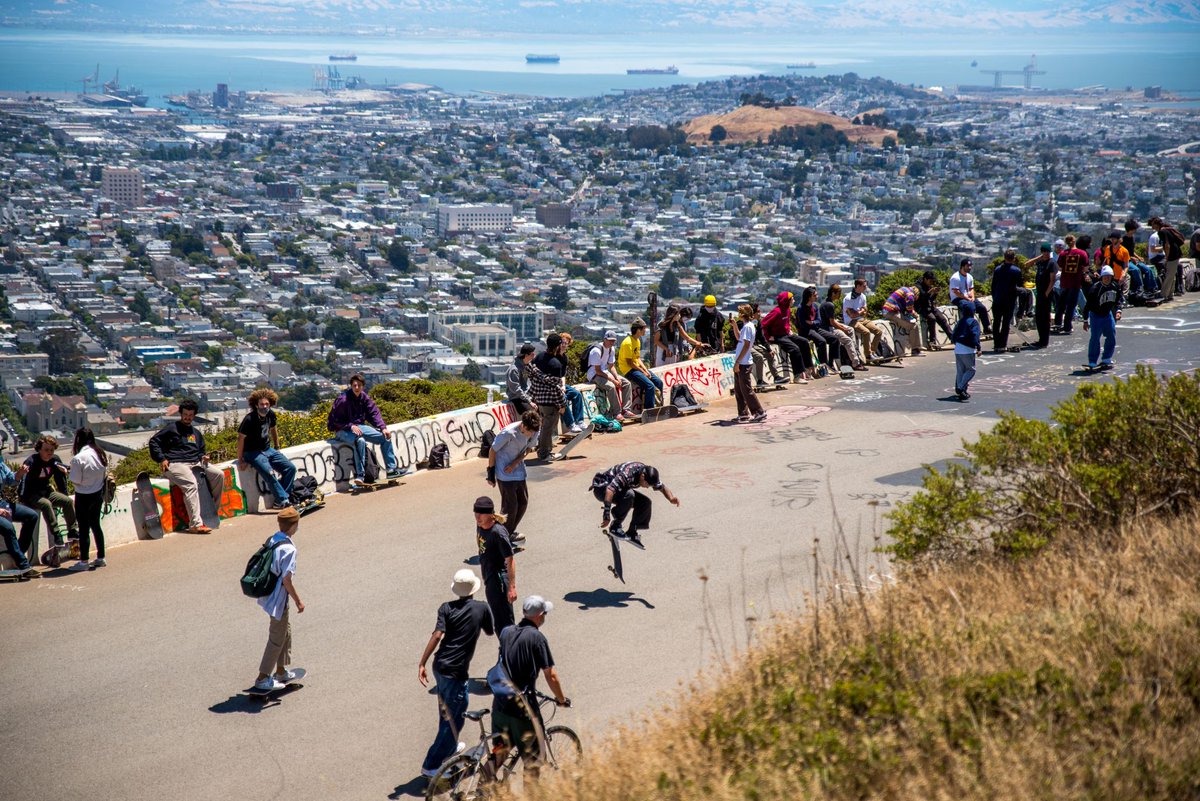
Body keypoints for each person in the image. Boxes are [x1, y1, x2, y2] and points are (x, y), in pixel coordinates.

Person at [417, 569, 494, 779]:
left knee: (446, 711)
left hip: (439, 666)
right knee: (455, 718)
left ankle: (449, 748)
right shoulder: (482, 608)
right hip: (456, 672)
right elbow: (489, 630)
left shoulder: (445, 608)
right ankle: (432, 766)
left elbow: (437, 635)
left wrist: (422, 663)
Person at [490, 596, 568, 776]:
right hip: (523, 711)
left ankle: (481, 789)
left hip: (500, 705)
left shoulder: (506, 632)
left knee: (500, 753)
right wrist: (561, 700)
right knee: (533, 762)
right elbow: (551, 675)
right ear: (539, 616)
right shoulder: (537, 638)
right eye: (545, 613)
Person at [148, 400, 225, 534]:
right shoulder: (172, 428)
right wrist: (162, 458)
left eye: (190, 415)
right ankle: (195, 524)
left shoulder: (196, 433)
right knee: (191, 484)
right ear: (181, 414)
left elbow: (201, 450)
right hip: (176, 463)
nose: (187, 417)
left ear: (194, 415)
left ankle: (211, 511)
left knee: (219, 475)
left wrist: (204, 457)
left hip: (195, 462)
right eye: (185, 414)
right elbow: (154, 442)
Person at [254, 505, 304, 693]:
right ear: (294, 525)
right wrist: (299, 600)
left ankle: (281, 670)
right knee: (276, 638)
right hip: (277, 599)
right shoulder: (289, 549)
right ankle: (263, 677)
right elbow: (286, 580)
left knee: (285, 631)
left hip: (268, 596)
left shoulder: (274, 538)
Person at [327, 374, 404, 488]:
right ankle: (360, 476)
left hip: (358, 427)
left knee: (385, 437)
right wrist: (350, 426)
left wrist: (383, 427)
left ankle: (391, 470)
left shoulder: (364, 398)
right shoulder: (343, 400)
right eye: (354, 385)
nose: (356, 387)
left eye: (359, 385)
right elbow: (334, 420)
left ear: (363, 386)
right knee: (360, 441)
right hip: (342, 430)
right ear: (351, 386)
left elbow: (374, 413)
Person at [592, 461, 680, 550]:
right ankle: (615, 526)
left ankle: (632, 532)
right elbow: (610, 490)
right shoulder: (627, 474)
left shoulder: (648, 474)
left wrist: (671, 498)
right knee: (629, 495)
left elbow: (663, 487)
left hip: (618, 489)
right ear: (642, 476)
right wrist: (606, 515)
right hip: (602, 489)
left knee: (645, 502)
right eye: (647, 484)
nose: (647, 487)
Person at [487, 410, 541, 545]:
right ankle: (499, 536)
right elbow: (492, 450)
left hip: (518, 470)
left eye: (533, 432)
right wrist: (490, 473)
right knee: (510, 507)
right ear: (523, 425)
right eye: (528, 431)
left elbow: (529, 448)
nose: (530, 434)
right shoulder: (508, 433)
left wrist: (515, 462)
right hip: (504, 472)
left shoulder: (535, 430)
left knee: (523, 502)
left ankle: (507, 533)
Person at [236, 388, 296, 510]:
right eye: (262, 404)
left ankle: (282, 499)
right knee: (269, 473)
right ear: (256, 405)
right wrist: (240, 459)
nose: (264, 406)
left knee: (290, 468)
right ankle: (284, 500)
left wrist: (277, 447)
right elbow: (240, 439)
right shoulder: (249, 419)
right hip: (252, 453)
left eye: (267, 404)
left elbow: (274, 430)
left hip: (268, 449)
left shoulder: (271, 415)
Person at [19, 435, 77, 545]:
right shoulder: (31, 461)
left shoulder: (54, 461)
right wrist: (22, 498)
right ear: (39, 449)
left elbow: (60, 479)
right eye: (46, 450)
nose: (49, 453)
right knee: (46, 504)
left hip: (46, 491)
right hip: (31, 494)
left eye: (51, 450)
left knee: (68, 501)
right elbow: (23, 480)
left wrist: (64, 494)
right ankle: (56, 535)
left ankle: (73, 531)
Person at [474, 496, 517, 634]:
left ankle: (510, 650)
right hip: (489, 578)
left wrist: (511, 587)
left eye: (481, 513)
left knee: (504, 622)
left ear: (490, 514)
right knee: (498, 620)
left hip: (499, 581)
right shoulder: (480, 525)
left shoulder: (498, 533)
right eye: (476, 512)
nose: (477, 516)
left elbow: (510, 560)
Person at [67, 428, 108, 571]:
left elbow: (76, 480)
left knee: (84, 528)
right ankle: (101, 557)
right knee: (96, 525)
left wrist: (68, 472)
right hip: (98, 494)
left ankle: (84, 561)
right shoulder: (100, 453)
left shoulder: (78, 458)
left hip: (83, 496)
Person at [529, 333, 568, 461]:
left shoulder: (539, 357)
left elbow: (532, 375)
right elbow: (555, 388)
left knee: (544, 425)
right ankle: (544, 453)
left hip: (539, 398)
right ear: (557, 346)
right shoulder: (556, 364)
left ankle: (543, 449)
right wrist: (562, 404)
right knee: (548, 428)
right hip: (550, 402)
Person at [761, 291, 815, 381]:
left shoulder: (788, 310)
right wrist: (768, 337)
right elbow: (763, 324)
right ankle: (798, 376)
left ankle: (807, 370)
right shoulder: (777, 312)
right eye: (792, 299)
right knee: (795, 349)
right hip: (778, 336)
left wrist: (789, 329)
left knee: (804, 342)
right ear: (787, 301)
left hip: (786, 334)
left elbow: (786, 323)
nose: (794, 300)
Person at [0, 461, 40, 577]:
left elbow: (11, 480)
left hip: (2, 503)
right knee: (8, 528)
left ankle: (18, 554)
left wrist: (20, 473)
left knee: (31, 516)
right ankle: (24, 565)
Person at [732, 304, 767, 423]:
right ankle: (743, 413)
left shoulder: (748, 327)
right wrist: (734, 326)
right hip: (742, 362)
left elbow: (746, 345)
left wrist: (737, 362)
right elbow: (739, 339)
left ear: (742, 315)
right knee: (739, 389)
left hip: (744, 363)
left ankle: (758, 411)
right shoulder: (748, 326)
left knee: (746, 389)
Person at [587, 331, 633, 421]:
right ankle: (617, 413)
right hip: (594, 374)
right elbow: (598, 370)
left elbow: (611, 366)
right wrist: (612, 380)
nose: (612, 343)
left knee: (627, 383)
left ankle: (626, 410)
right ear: (605, 339)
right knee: (611, 387)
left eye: (613, 341)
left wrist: (617, 377)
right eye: (610, 340)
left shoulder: (611, 349)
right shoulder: (596, 350)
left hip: (604, 372)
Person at [1083, 265, 1122, 369]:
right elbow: (1087, 306)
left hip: (1107, 314)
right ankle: (1092, 360)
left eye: (1109, 276)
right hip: (1096, 315)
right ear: (1102, 277)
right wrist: (1085, 321)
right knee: (1095, 338)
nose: (1107, 278)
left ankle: (1106, 358)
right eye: (1105, 277)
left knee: (1111, 335)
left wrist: (1118, 310)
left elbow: (1118, 300)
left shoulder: (1115, 286)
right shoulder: (1095, 289)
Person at [618, 319, 664, 409]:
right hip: (629, 370)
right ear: (638, 330)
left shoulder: (637, 341)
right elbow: (630, 363)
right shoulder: (628, 342)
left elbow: (637, 358)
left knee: (659, 382)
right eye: (644, 329)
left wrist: (646, 370)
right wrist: (643, 371)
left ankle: (659, 405)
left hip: (636, 367)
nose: (645, 331)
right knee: (650, 386)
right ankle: (649, 410)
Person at [818, 285, 866, 369]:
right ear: (833, 293)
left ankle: (855, 354)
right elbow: (832, 323)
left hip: (828, 326)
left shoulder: (826, 302)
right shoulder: (830, 305)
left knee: (850, 329)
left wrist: (844, 327)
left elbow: (832, 320)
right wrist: (843, 329)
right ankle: (855, 363)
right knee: (848, 341)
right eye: (839, 293)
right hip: (828, 330)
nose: (840, 295)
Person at [990, 249, 1024, 352]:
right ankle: (1002, 345)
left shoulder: (997, 269)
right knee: (1005, 323)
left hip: (997, 299)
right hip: (1009, 300)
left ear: (1004, 257)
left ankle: (996, 344)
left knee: (996, 322)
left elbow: (993, 285)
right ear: (1013, 259)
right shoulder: (1016, 270)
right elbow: (1020, 284)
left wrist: (995, 296)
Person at [843, 278, 883, 363]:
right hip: (851, 321)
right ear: (858, 286)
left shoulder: (863, 296)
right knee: (866, 332)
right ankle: (868, 355)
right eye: (864, 286)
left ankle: (872, 352)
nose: (866, 288)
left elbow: (865, 311)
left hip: (861, 319)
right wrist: (861, 311)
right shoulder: (848, 298)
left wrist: (859, 312)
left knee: (878, 331)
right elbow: (852, 315)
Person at [948, 259, 993, 335]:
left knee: (982, 308)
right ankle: (970, 330)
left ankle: (987, 328)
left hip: (968, 297)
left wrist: (972, 297)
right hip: (958, 298)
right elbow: (956, 292)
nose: (969, 268)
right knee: (969, 308)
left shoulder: (969, 277)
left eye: (970, 266)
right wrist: (967, 298)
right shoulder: (955, 277)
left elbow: (971, 288)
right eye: (968, 266)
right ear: (962, 266)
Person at [795, 287, 835, 371]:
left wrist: (812, 323)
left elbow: (819, 321)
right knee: (822, 341)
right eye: (815, 295)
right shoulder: (801, 308)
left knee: (834, 339)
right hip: (806, 331)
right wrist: (813, 324)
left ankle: (832, 364)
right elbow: (803, 325)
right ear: (809, 297)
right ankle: (823, 365)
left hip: (815, 328)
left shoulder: (815, 306)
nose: (817, 296)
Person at [950, 300, 982, 401]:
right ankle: (960, 388)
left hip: (958, 348)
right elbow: (975, 335)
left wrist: (956, 343)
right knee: (971, 370)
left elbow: (954, 333)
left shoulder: (960, 321)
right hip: (968, 349)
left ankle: (961, 390)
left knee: (960, 370)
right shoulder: (973, 322)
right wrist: (978, 347)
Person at [1027, 243, 1057, 348]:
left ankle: (1044, 341)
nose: (1045, 254)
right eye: (1043, 251)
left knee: (1045, 317)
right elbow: (1027, 264)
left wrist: (1046, 293)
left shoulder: (1051, 263)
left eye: (1047, 252)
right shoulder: (1040, 262)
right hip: (1039, 293)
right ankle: (1040, 339)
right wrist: (1039, 257)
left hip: (1046, 294)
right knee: (1039, 317)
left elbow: (1052, 280)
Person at [879, 285, 921, 362]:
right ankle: (915, 349)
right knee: (913, 326)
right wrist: (914, 314)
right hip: (890, 312)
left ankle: (914, 348)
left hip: (888, 311)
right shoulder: (910, 295)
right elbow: (909, 309)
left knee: (909, 322)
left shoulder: (905, 289)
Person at [914, 271, 954, 352]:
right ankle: (932, 341)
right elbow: (921, 300)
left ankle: (953, 338)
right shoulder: (918, 287)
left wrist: (935, 293)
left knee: (942, 319)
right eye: (930, 281)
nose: (931, 282)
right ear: (925, 279)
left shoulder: (929, 286)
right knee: (932, 319)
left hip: (930, 306)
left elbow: (930, 299)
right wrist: (929, 292)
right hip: (921, 308)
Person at [1057, 235, 1089, 333]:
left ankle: (1058, 324)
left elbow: (1059, 267)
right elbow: (1086, 267)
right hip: (1075, 283)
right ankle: (1067, 326)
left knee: (1061, 304)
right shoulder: (1082, 253)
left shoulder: (1063, 254)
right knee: (1071, 306)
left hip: (1064, 282)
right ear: (1074, 241)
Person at [1149, 216, 1186, 302]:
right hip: (1176, 254)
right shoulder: (1166, 230)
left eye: (1153, 224)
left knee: (1169, 276)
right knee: (1172, 275)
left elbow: (1167, 246)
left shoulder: (1161, 232)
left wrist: (1166, 258)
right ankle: (1170, 294)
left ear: (1156, 224)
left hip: (1172, 255)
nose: (1152, 226)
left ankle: (1164, 295)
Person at [557, 333, 587, 433]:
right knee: (563, 398)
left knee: (576, 394)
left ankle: (580, 421)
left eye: (566, 343)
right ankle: (571, 424)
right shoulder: (554, 356)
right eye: (562, 342)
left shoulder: (564, 358)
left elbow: (563, 375)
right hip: (553, 385)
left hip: (561, 383)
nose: (564, 345)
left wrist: (563, 386)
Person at [506, 344, 537, 416]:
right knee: (531, 415)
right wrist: (529, 401)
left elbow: (526, 383)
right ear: (526, 355)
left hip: (526, 395)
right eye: (532, 354)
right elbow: (516, 388)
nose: (534, 356)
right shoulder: (514, 369)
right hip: (517, 398)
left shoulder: (525, 366)